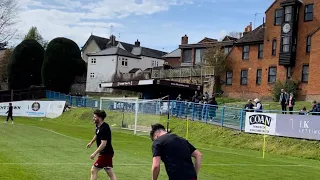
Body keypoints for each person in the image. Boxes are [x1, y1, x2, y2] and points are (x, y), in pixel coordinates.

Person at [87, 109, 116, 180]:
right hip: (106, 153)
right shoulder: (98, 125)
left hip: (106, 153)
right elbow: (97, 134)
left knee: (94, 170)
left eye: (95, 117)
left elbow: (103, 144)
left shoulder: (104, 128)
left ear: (99, 118)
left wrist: (94, 153)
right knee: (109, 172)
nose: (93, 118)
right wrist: (91, 142)